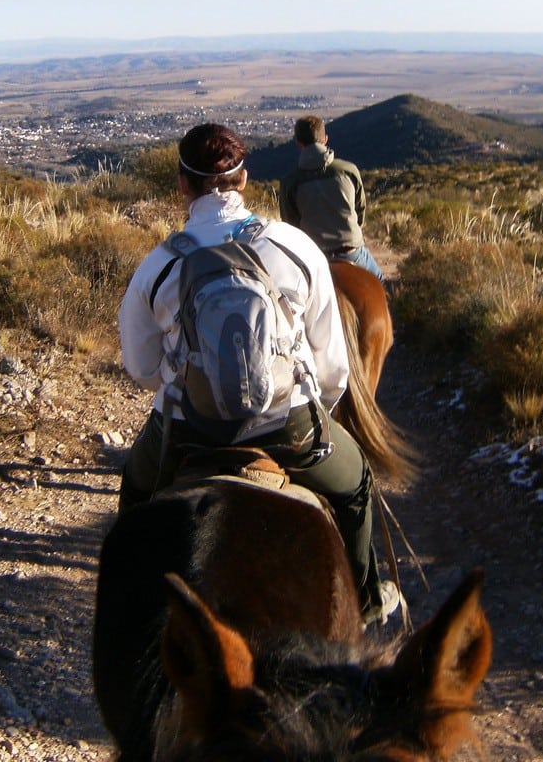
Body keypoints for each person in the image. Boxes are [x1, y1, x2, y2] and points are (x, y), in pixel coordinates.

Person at [118, 122, 398, 626]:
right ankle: (369, 600)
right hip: (287, 426)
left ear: (182, 184)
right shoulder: (296, 248)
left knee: (136, 493)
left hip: (186, 432)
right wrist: (310, 413)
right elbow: (333, 367)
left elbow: (140, 369)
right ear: (243, 179)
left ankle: (129, 613)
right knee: (355, 484)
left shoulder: (157, 266)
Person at [280, 115, 384, 281]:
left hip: (314, 256)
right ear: (325, 139)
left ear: (299, 143)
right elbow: (360, 211)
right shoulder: (348, 170)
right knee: (379, 280)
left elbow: (291, 226)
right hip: (351, 252)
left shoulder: (290, 182)